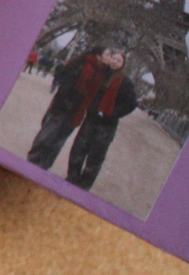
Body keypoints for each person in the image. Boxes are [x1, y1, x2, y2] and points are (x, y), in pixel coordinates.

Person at [24, 46, 139, 190]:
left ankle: (83, 185)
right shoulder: (98, 71)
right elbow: (66, 76)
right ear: (100, 56)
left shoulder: (123, 81)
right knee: (76, 148)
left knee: (94, 155)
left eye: (118, 60)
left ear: (123, 65)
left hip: (104, 124)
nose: (114, 61)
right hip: (81, 115)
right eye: (112, 57)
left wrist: (111, 113)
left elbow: (131, 103)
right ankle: (70, 177)